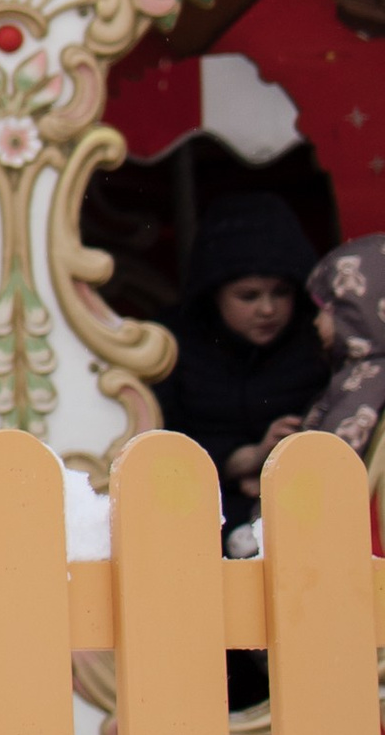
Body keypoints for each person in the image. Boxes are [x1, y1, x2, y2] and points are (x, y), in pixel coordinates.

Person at [158, 190, 329, 537]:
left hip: (304, 519)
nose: (267, 309)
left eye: (281, 292)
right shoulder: (169, 349)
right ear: (213, 293)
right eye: (248, 295)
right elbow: (155, 448)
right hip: (191, 524)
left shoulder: (319, 346)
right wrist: (242, 459)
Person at [302, 239, 385, 462]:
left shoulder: (369, 382)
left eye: (325, 310)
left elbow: (330, 459)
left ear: (356, 312)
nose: (316, 322)